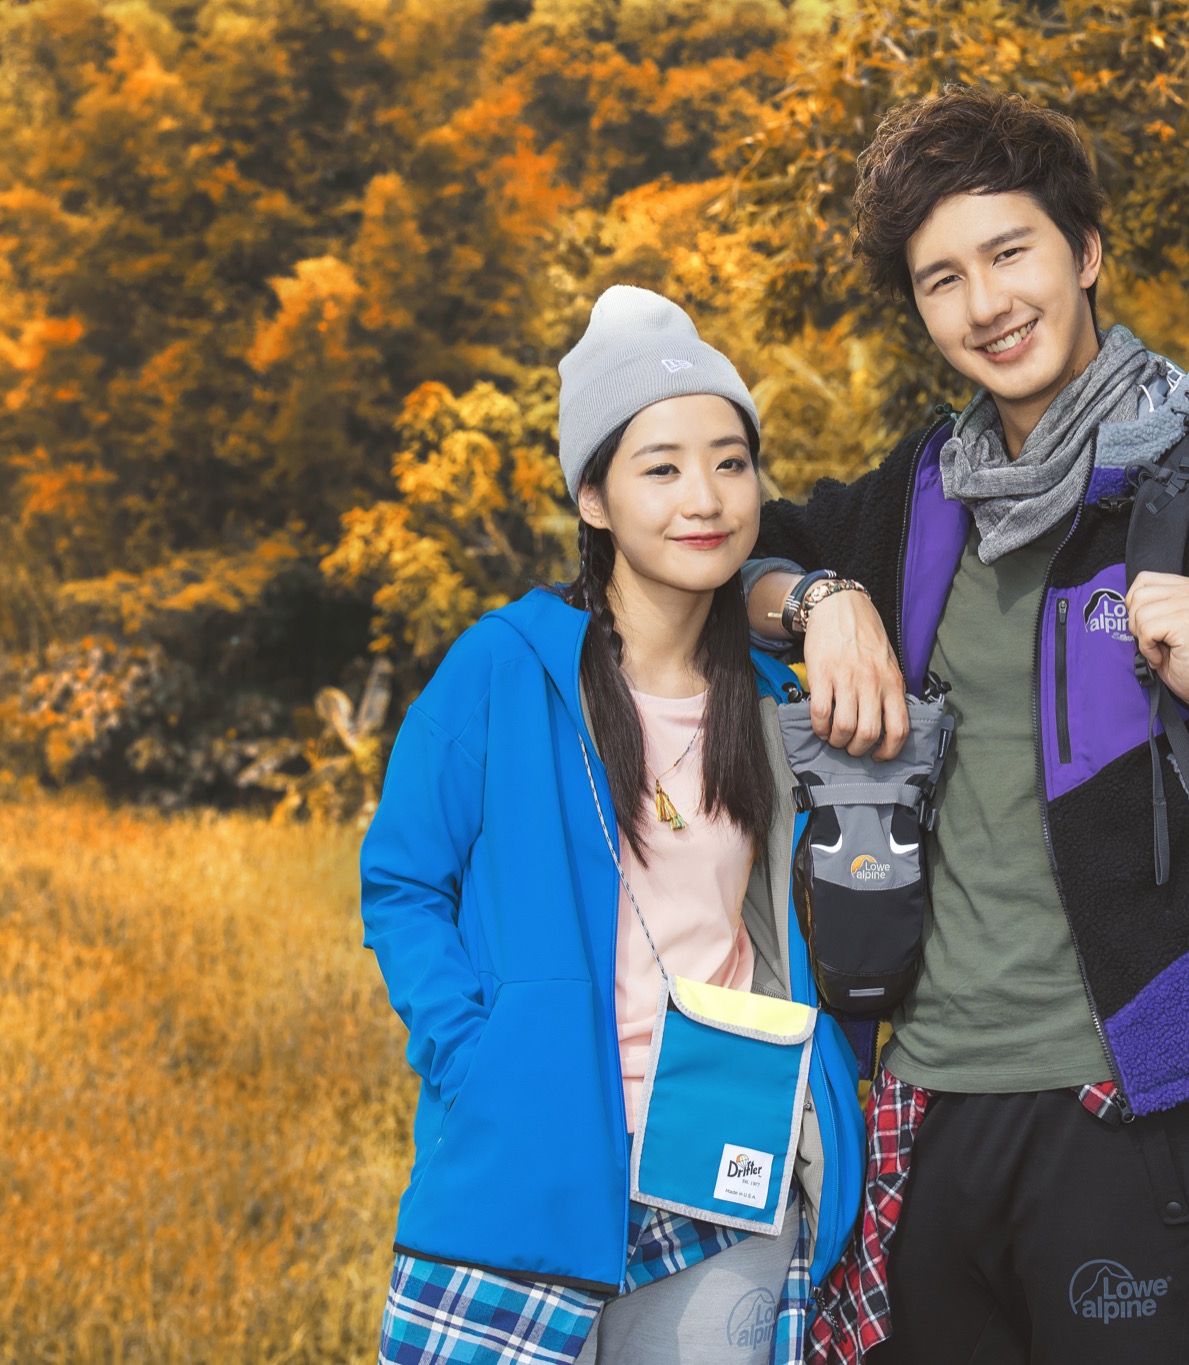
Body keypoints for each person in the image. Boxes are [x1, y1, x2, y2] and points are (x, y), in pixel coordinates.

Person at [742, 86, 1189, 1363]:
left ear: (1083, 252)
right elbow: (725, 553)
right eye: (940, 280)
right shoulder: (917, 498)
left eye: (1010, 253)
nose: (984, 305)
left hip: (1141, 1115)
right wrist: (818, 600)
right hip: (923, 1111)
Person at [364, 286, 865, 1365]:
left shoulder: (774, 700)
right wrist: (473, 1057)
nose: (707, 498)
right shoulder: (505, 667)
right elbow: (402, 881)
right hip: (536, 1148)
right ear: (593, 497)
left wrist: (826, 602)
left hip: (726, 1148)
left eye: (731, 462)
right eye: (662, 468)